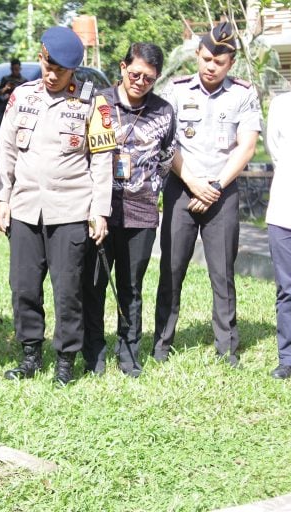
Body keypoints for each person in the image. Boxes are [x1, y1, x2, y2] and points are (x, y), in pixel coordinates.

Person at [0, 26, 114, 385]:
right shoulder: (22, 95)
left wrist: (99, 210)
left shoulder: (93, 101)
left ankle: (65, 362)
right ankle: (30, 355)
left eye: (60, 69)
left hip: (72, 210)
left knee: (68, 290)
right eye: (47, 64)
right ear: (41, 57)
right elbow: (6, 150)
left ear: (73, 69)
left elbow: (103, 159)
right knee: (24, 286)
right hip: (26, 207)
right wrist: (2, 197)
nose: (52, 74)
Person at [153, 21, 261, 367]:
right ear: (197, 56)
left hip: (222, 192)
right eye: (205, 59)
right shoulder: (176, 89)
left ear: (230, 63)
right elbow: (166, 143)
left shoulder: (243, 93)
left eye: (219, 61)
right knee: (171, 269)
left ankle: (227, 347)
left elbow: (245, 148)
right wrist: (194, 182)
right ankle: (161, 343)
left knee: (222, 272)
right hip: (182, 189)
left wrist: (213, 187)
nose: (210, 67)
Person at [81, 43, 175, 377]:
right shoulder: (99, 102)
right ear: (122, 67)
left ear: (156, 78)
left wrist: (146, 189)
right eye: (134, 73)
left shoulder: (164, 111)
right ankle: (93, 353)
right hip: (100, 211)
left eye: (148, 78)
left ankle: (129, 352)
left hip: (142, 214)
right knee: (93, 285)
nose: (139, 82)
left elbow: (166, 156)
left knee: (131, 287)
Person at [264, 92, 291, 379]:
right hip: (284, 212)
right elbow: (276, 154)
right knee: (287, 289)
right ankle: (288, 358)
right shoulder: (282, 105)